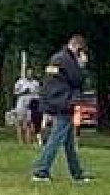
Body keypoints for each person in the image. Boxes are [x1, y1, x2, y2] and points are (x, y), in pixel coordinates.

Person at [32, 35, 93, 183]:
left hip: (56, 100)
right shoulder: (68, 60)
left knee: (69, 141)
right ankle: (41, 171)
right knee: (56, 138)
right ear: (78, 49)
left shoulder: (57, 58)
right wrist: (81, 65)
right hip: (64, 102)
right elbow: (77, 80)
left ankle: (77, 172)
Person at [14, 69, 40, 144]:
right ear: (26, 74)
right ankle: (20, 141)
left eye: (31, 73)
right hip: (21, 102)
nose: (29, 74)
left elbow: (38, 94)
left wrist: (33, 94)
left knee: (29, 122)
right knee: (19, 121)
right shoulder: (20, 82)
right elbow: (15, 92)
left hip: (31, 104)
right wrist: (23, 92)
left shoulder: (36, 83)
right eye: (28, 73)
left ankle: (28, 141)